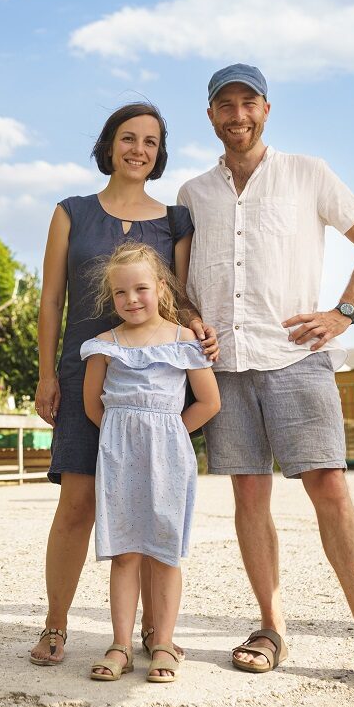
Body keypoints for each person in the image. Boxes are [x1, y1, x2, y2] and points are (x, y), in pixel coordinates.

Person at [176, 63, 354, 696]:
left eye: (248, 102)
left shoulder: (308, 172)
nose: (237, 115)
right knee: (249, 498)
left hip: (296, 358)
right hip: (225, 369)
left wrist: (341, 314)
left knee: (332, 490)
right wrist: (191, 319)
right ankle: (271, 628)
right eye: (224, 105)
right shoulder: (192, 194)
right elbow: (180, 284)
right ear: (210, 116)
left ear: (266, 109)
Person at [30, 103, 218, 667]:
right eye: (129, 138)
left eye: (151, 142)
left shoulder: (174, 219)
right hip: (83, 372)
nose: (139, 149)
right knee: (77, 502)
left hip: (154, 387)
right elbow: (50, 299)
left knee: (155, 509)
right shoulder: (72, 212)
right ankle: (56, 625)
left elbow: (178, 296)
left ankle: (155, 634)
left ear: (159, 154)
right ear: (109, 145)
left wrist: (197, 326)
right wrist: (44, 373)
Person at [80, 242, 220, 682]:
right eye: (120, 294)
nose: (131, 300)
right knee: (125, 552)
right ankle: (120, 644)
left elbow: (209, 402)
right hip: (120, 456)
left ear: (161, 288)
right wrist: (125, 435)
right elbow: (93, 407)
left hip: (169, 458)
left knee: (163, 553)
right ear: (111, 297)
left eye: (141, 289)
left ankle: (163, 642)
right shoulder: (105, 344)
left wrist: (170, 431)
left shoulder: (183, 341)